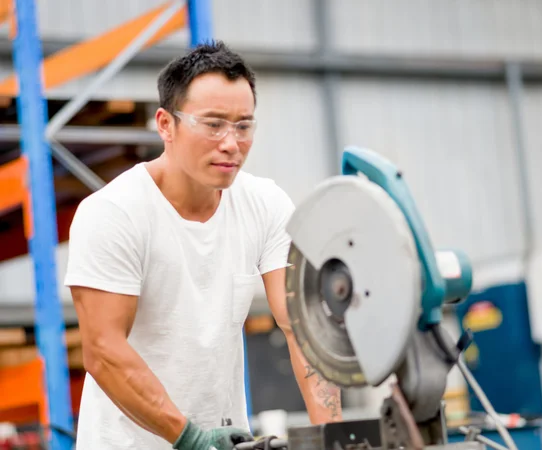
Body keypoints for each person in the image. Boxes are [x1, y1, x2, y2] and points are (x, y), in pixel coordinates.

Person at [64, 40, 342, 450]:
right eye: (213, 124)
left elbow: (301, 328)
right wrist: (191, 439)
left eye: (243, 125)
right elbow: (104, 351)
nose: (231, 143)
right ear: (165, 124)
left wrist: (334, 438)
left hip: (226, 441)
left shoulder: (264, 205)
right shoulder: (113, 213)